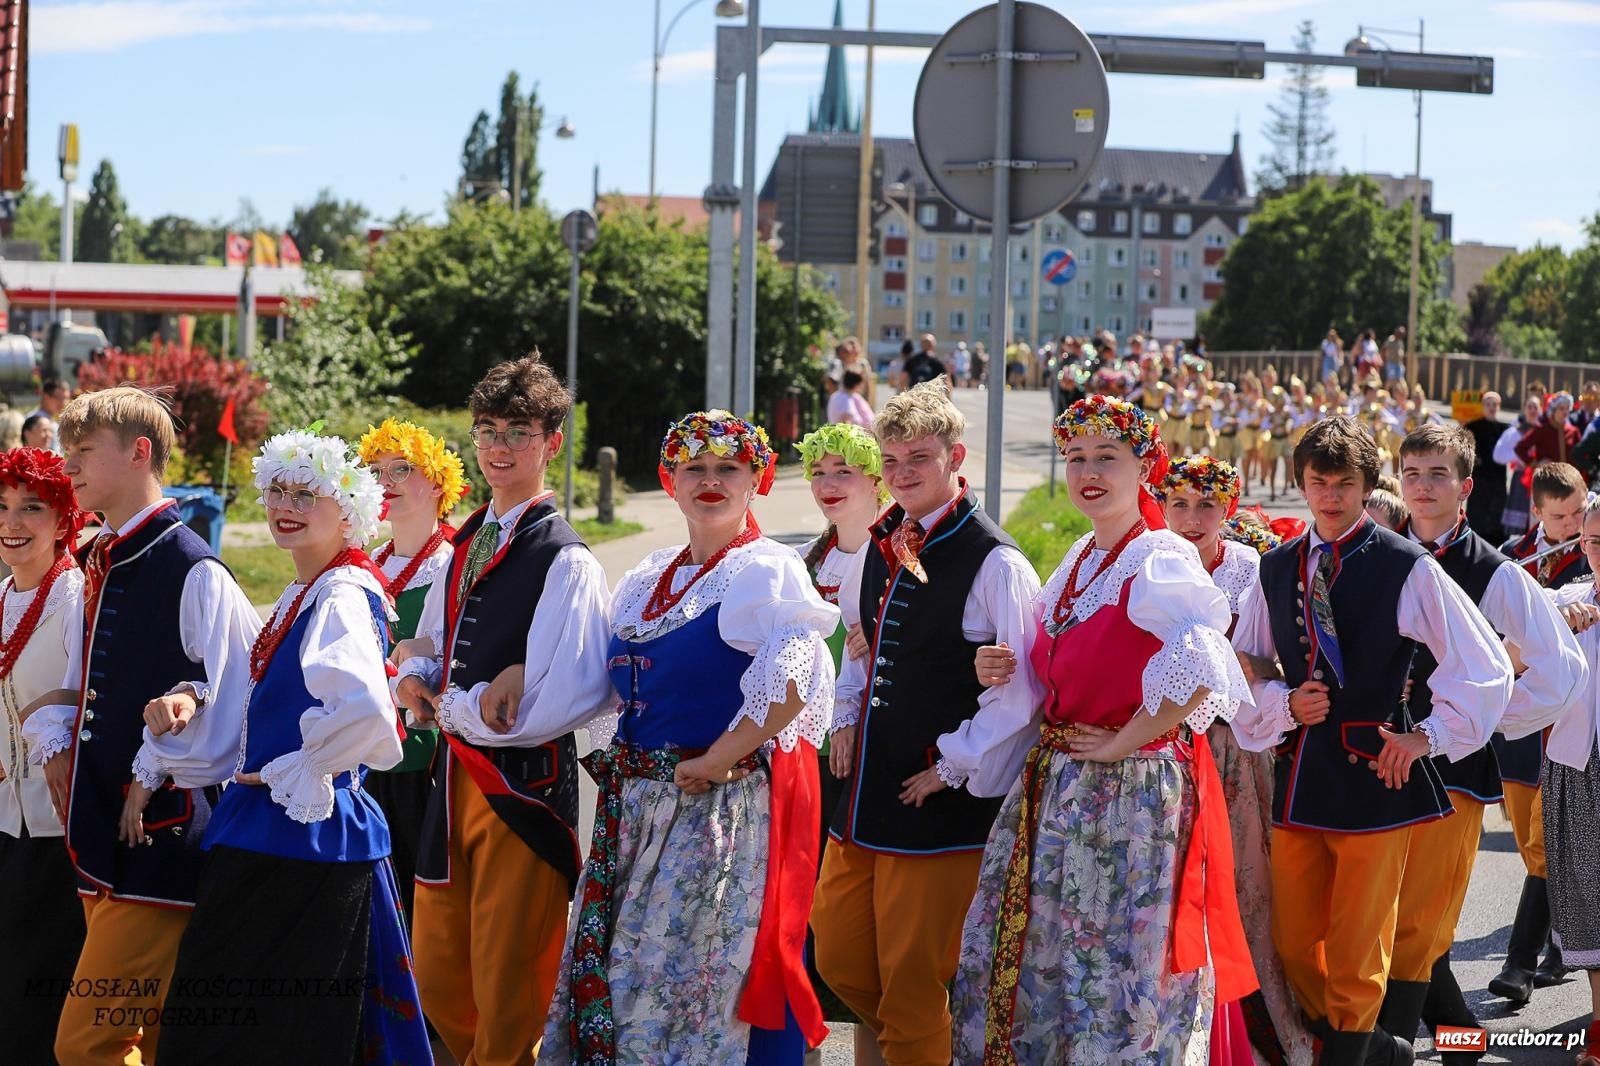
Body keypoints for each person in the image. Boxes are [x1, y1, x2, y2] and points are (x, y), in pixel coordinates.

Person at [952, 403, 1255, 1063]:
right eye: (1077, 458)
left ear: (1145, 467)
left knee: (1118, 970)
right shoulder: (1084, 556)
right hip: (1065, 787)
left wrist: (1124, 741)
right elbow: (1055, 660)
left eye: (1106, 458)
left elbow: (1205, 669)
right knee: (1056, 965)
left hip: (1131, 800)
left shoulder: (1158, 554)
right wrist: (994, 662)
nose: (1088, 473)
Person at [541, 411, 838, 1062]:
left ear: (756, 480)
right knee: (619, 975)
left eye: (728, 469)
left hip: (711, 814)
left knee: (675, 983)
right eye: (693, 468)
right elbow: (599, 679)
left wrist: (717, 759)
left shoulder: (764, 570)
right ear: (668, 481)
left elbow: (795, 680)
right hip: (635, 811)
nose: (710, 481)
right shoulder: (649, 576)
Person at [1230, 416, 1513, 1066]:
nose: (1330, 496)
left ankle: (1360, 1050)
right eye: (1318, 482)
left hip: (1379, 779)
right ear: (1301, 483)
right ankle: (1383, 1048)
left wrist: (1429, 738)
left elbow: (1486, 666)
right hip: (1302, 776)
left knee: (1364, 949)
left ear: (1365, 486)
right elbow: (1241, 670)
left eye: (1344, 483)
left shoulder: (1405, 565)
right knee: (1297, 945)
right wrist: (1282, 701)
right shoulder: (1276, 569)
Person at [157, 429, 430, 1063]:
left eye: (308, 494)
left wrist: (300, 767)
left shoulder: (339, 594)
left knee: (271, 1028)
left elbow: (365, 712)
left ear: (349, 509)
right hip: (274, 830)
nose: (288, 505)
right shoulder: (308, 589)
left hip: (301, 838)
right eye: (278, 490)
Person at [22, 385, 261, 1066]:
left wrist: (152, 765)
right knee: (151, 1032)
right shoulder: (104, 552)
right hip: (105, 834)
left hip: (160, 834)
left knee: (87, 1042)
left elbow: (233, 697)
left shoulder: (192, 566)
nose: (68, 465)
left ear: (140, 453)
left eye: (84, 450)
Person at [811, 378, 1041, 1066]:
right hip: (866, 795)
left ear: (955, 457)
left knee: (912, 983)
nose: (903, 473)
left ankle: (923, 1048)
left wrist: (952, 764)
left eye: (919, 458)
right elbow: (860, 641)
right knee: (841, 954)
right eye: (893, 460)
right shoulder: (886, 541)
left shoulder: (996, 560)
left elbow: (1024, 691)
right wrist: (845, 714)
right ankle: (923, 1047)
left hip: (938, 803)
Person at [394, 355, 614, 1065]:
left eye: (517, 431)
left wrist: (458, 706)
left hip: (522, 795)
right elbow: (437, 641)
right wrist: (416, 675)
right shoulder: (462, 542)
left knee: (508, 987)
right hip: (452, 789)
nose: (497, 447)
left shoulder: (565, 557)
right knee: (435, 972)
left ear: (552, 441)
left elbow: (565, 697)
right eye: (487, 430)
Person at [1377, 426, 1585, 1053]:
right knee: (1397, 916)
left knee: (1421, 917)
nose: (1422, 486)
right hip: (1378, 758)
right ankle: (1464, 1043)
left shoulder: (1495, 573)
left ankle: (1386, 1047)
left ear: (1467, 486)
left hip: (1455, 767)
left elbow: (1562, 670)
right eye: (1412, 473)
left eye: (1437, 474)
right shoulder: (1378, 555)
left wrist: (1487, 716)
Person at [1157, 455, 1315, 1066]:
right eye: (1180, 505)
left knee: (1245, 890)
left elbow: (1276, 662)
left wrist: (1259, 673)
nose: (1192, 518)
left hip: (1235, 752)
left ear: (1228, 509)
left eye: (1207, 506)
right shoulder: (1147, 561)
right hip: (1160, 748)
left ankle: (1261, 1027)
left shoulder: (1251, 570)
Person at [796, 422, 887, 1060]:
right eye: (820, 473)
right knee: (802, 917)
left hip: (873, 757)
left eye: (844, 473)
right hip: (806, 754)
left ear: (876, 479)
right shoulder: (807, 558)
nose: (829, 486)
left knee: (863, 934)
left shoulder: (902, 555)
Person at [357, 417, 469, 922]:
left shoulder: (453, 562)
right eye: (375, 470)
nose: (386, 481)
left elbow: (471, 650)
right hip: (363, 759)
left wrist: (420, 649)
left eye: (402, 469)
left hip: (424, 763)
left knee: (421, 905)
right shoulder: (363, 563)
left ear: (439, 483)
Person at [1491, 460, 1593, 1005]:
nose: (1575, 523)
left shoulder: (1593, 552)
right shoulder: (1512, 559)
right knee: (1536, 845)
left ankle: (1525, 962)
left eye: (1580, 509)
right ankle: (1563, 941)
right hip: (1522, 725)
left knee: (1549, 841)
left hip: (1570, 723)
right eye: (1562, 516)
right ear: (1537, 513)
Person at [0, 448, 88, 1064]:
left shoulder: (78, 599)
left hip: (63, 828)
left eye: (33, 507)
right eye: (3, 507)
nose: (13, 522)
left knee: (48, 978)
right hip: (7, 820)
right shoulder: (3, 593)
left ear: (63, 522)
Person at [1540, 497, 1600, 1066]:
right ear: (1582, 547)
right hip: (1578, 765)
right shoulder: (1565, 599)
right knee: (1587, 896)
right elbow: (1507, 653)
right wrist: (1555, 625)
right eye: (1596, 542)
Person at [1462, 392, 1508, 544]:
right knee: (1478, 517)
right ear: (1483, 407)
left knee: (1497, 517)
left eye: (1494, 405)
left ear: (1499, 407)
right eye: (1488, 404)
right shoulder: (1472, 427)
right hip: (1479, 480)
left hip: (1498, 479)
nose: (1491, 408)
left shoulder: (1505, 430)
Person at [1495, 395, 1544, 539]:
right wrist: (1521, 458)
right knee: (1520, 520)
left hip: (1540, 479)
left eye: (1536, 407)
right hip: (1521, 478)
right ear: (1524, 409)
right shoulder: (1516, 431)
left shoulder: (1544, 431)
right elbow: (1498, 454)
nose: (1533, 410)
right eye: (1530, 407)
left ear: (1541, 409)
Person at [1515, 391, 1581, 470]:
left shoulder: (1573, 431)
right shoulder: (1542, 429)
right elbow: (1519, 448)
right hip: (1548, 479)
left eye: (1567, 408)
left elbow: (1580, 455)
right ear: (1553, 411)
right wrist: (1536, 464)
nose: (1565, 412)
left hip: (1568, 479)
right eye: (1561, 408)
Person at [27, 375, 69, 453]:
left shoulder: (55, 421)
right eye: (59, 398)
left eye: (66, 398)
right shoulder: (32, 421)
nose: (63, 403)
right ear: (46, 396)